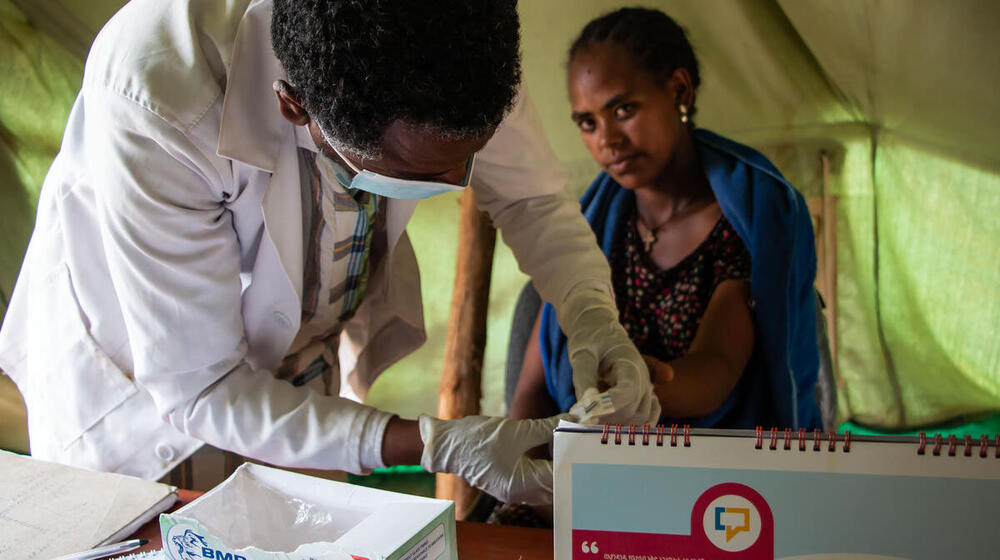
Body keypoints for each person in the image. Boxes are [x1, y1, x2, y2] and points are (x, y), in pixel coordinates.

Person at [0, 0, 660, 505]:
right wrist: (435, 443)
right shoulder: (160, 97)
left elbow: (532, 201)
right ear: (295, 108)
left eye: (470, 157)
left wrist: (595, 317)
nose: (458, 184)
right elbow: (201, 388)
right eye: (416, 176)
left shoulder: (458, 42)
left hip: (295, 366)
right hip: (141, 396)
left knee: (308, 525)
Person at [509, 7, 823, 431]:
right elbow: (532, 390)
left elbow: (716, 368)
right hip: (578, 465)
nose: (608, 140)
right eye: (588, 122)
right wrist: (534, 472)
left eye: (623, 110)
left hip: (707, 484)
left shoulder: (742, 225)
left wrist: (638, 388)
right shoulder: (592, 227)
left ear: (679, 91)